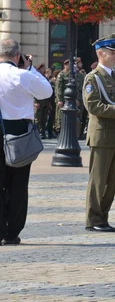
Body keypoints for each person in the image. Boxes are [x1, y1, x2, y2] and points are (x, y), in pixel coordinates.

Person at [0, 38, 53, 245]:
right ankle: (12, 232)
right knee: (18, 184)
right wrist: (30, 67)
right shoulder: (22, 75)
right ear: (17, 56)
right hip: (19, 132)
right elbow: (46, 92)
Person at [83, 35, 115, 233]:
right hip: (101, 135)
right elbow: (93, 106)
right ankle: (93, 219)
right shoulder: (93, 78)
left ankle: (104, 217)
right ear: (100, 53)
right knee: (99, 180)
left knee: (111, 181)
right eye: (112, 52)